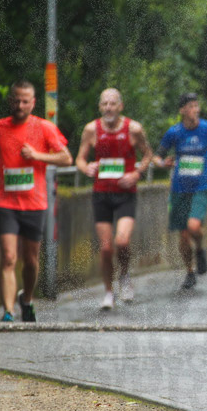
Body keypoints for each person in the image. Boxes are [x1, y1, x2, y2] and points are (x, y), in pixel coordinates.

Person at [0, 79, 73, 322]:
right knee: (9, 257)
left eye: (25, 101)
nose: (20, 105)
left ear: (33, 103)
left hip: (34, 203)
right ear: (10, 101)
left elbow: (67, 158)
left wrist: (37, 155)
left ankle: (27, 299)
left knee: (31, 261)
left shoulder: (44, 128)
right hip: (5, 202)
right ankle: (8, 312)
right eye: (16, 100)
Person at [74, 88, 156, 310]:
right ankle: (109, 292)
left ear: (120, 106)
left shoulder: (134, 129)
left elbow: (148, 154)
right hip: (101, 193)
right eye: (104, 104)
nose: (108, 108)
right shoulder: (91, 129)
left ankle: (125, 275)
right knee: (106, 247)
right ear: (100, 107)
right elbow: (80, 159)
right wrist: (87, 167)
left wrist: (137, 174)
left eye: (112, 104)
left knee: (122, 241)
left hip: (125, 194)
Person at [155, 92, 207, 290]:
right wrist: (164, 163)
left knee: (194, 227)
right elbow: (158, 157)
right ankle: (189, 271)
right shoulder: (174, 132)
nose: (194, 110)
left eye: (196, 106)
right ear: (182, 111)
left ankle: (200, 249)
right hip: (179, 189)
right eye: (190, 107)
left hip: (201, 187)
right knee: (183, 236)